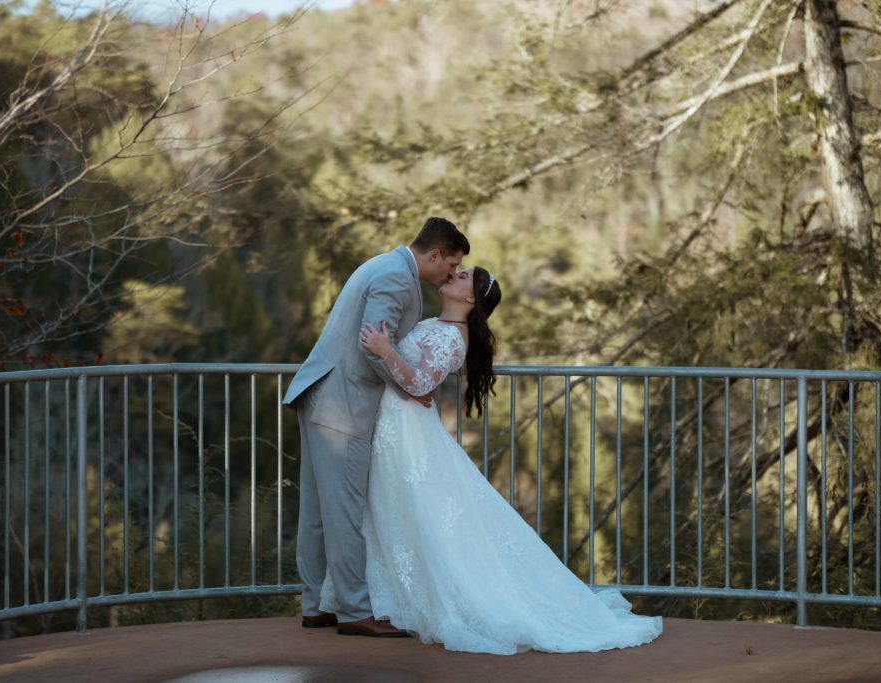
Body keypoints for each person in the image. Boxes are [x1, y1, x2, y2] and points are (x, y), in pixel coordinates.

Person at [318, 266, 663, 654]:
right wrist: (400, 370)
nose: (454, 274)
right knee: (392, 510)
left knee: (418, 513)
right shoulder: (435, 322)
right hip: (395, 427)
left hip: (408, 437)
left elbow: (422, 384)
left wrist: (385, 352)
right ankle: (378, 598)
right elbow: (417, 383)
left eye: (463, 276)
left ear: (470, 299)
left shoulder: (451, 336)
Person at [282, 217, 469, 637]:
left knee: (316, 512)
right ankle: (353, 612)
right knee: (344, 511)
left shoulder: (384, 264)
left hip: (321, 393)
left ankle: (315, 605)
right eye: (451, 263)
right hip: (343, 405)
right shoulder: (397, 280)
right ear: (435, 254)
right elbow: (373, 346)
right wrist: (408, 387)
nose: (451, 274)